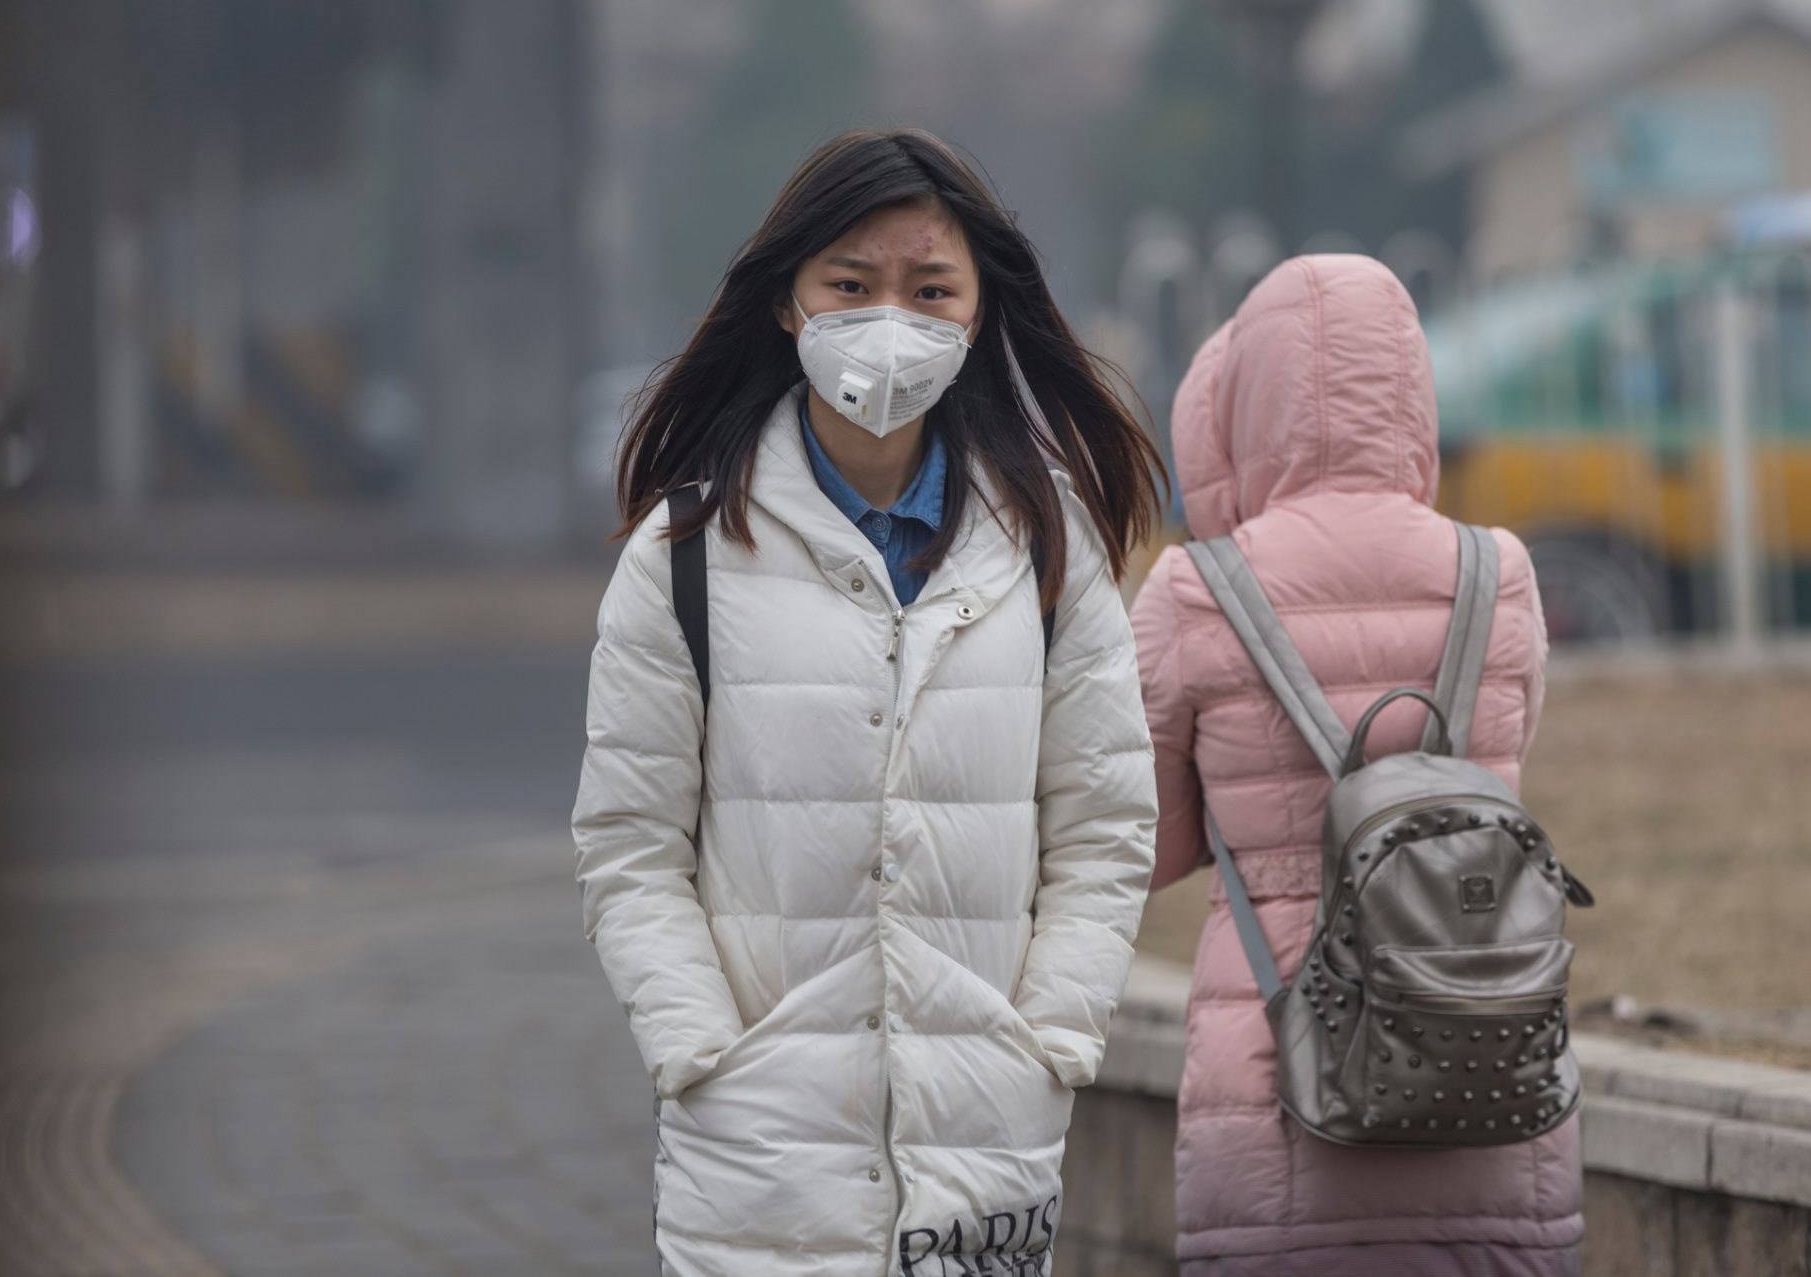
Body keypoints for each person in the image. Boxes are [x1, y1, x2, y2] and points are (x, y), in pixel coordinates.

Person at [571, 128, 1166, 1276]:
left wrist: (1046, 1037)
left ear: (979, 311)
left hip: (981, 1150)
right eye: (851, 283)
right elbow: (627, 843)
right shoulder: (686, 551)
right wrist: (700, 1047)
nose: (890, 317)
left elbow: (1101, 823)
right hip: (754, 1157)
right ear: (789, 301)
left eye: (929, 287)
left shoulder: (1046, 549)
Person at [1129, 254, 1582, 1275]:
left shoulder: (1193, 591)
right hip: (1494, 1082)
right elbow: (1479, 794)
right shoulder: (1497, 572)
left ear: (1242, 403)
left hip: (1280, 1091)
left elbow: (1149, 848)